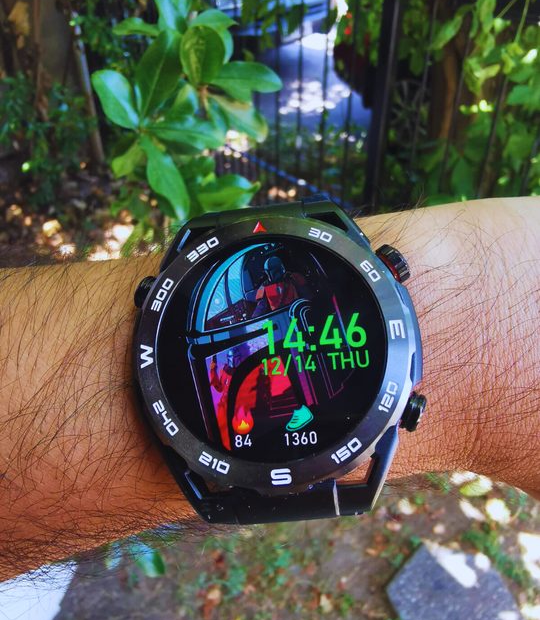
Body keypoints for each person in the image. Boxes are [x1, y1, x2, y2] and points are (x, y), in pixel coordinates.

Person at [0, 197, 538, 582]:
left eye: (282, 285)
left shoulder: (258, 316)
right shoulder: (250, 319)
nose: (275, 292)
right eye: (267, 291)